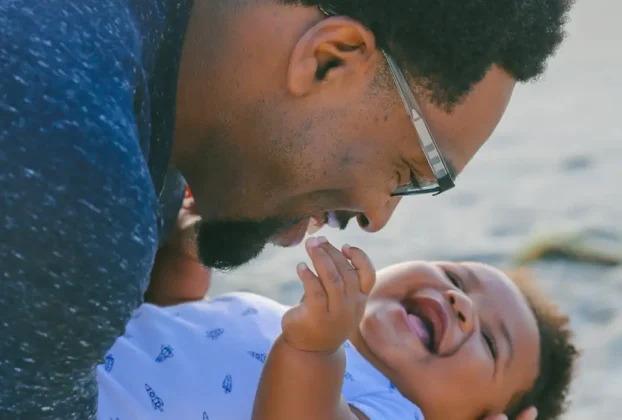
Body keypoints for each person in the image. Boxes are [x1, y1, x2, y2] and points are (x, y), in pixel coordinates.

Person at [1, 0, 573, 417]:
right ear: (329, 60)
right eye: (407, 173)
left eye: (492, 343)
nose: (378, 217)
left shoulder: (139, 147)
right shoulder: (80, 187)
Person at [98, 216, 577, 420]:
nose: (459, 303)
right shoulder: (289, 322)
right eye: (455, 277)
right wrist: (188, 258)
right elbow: (173, 333)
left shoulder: (393, 409)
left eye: (491, 343)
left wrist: (313, 350)